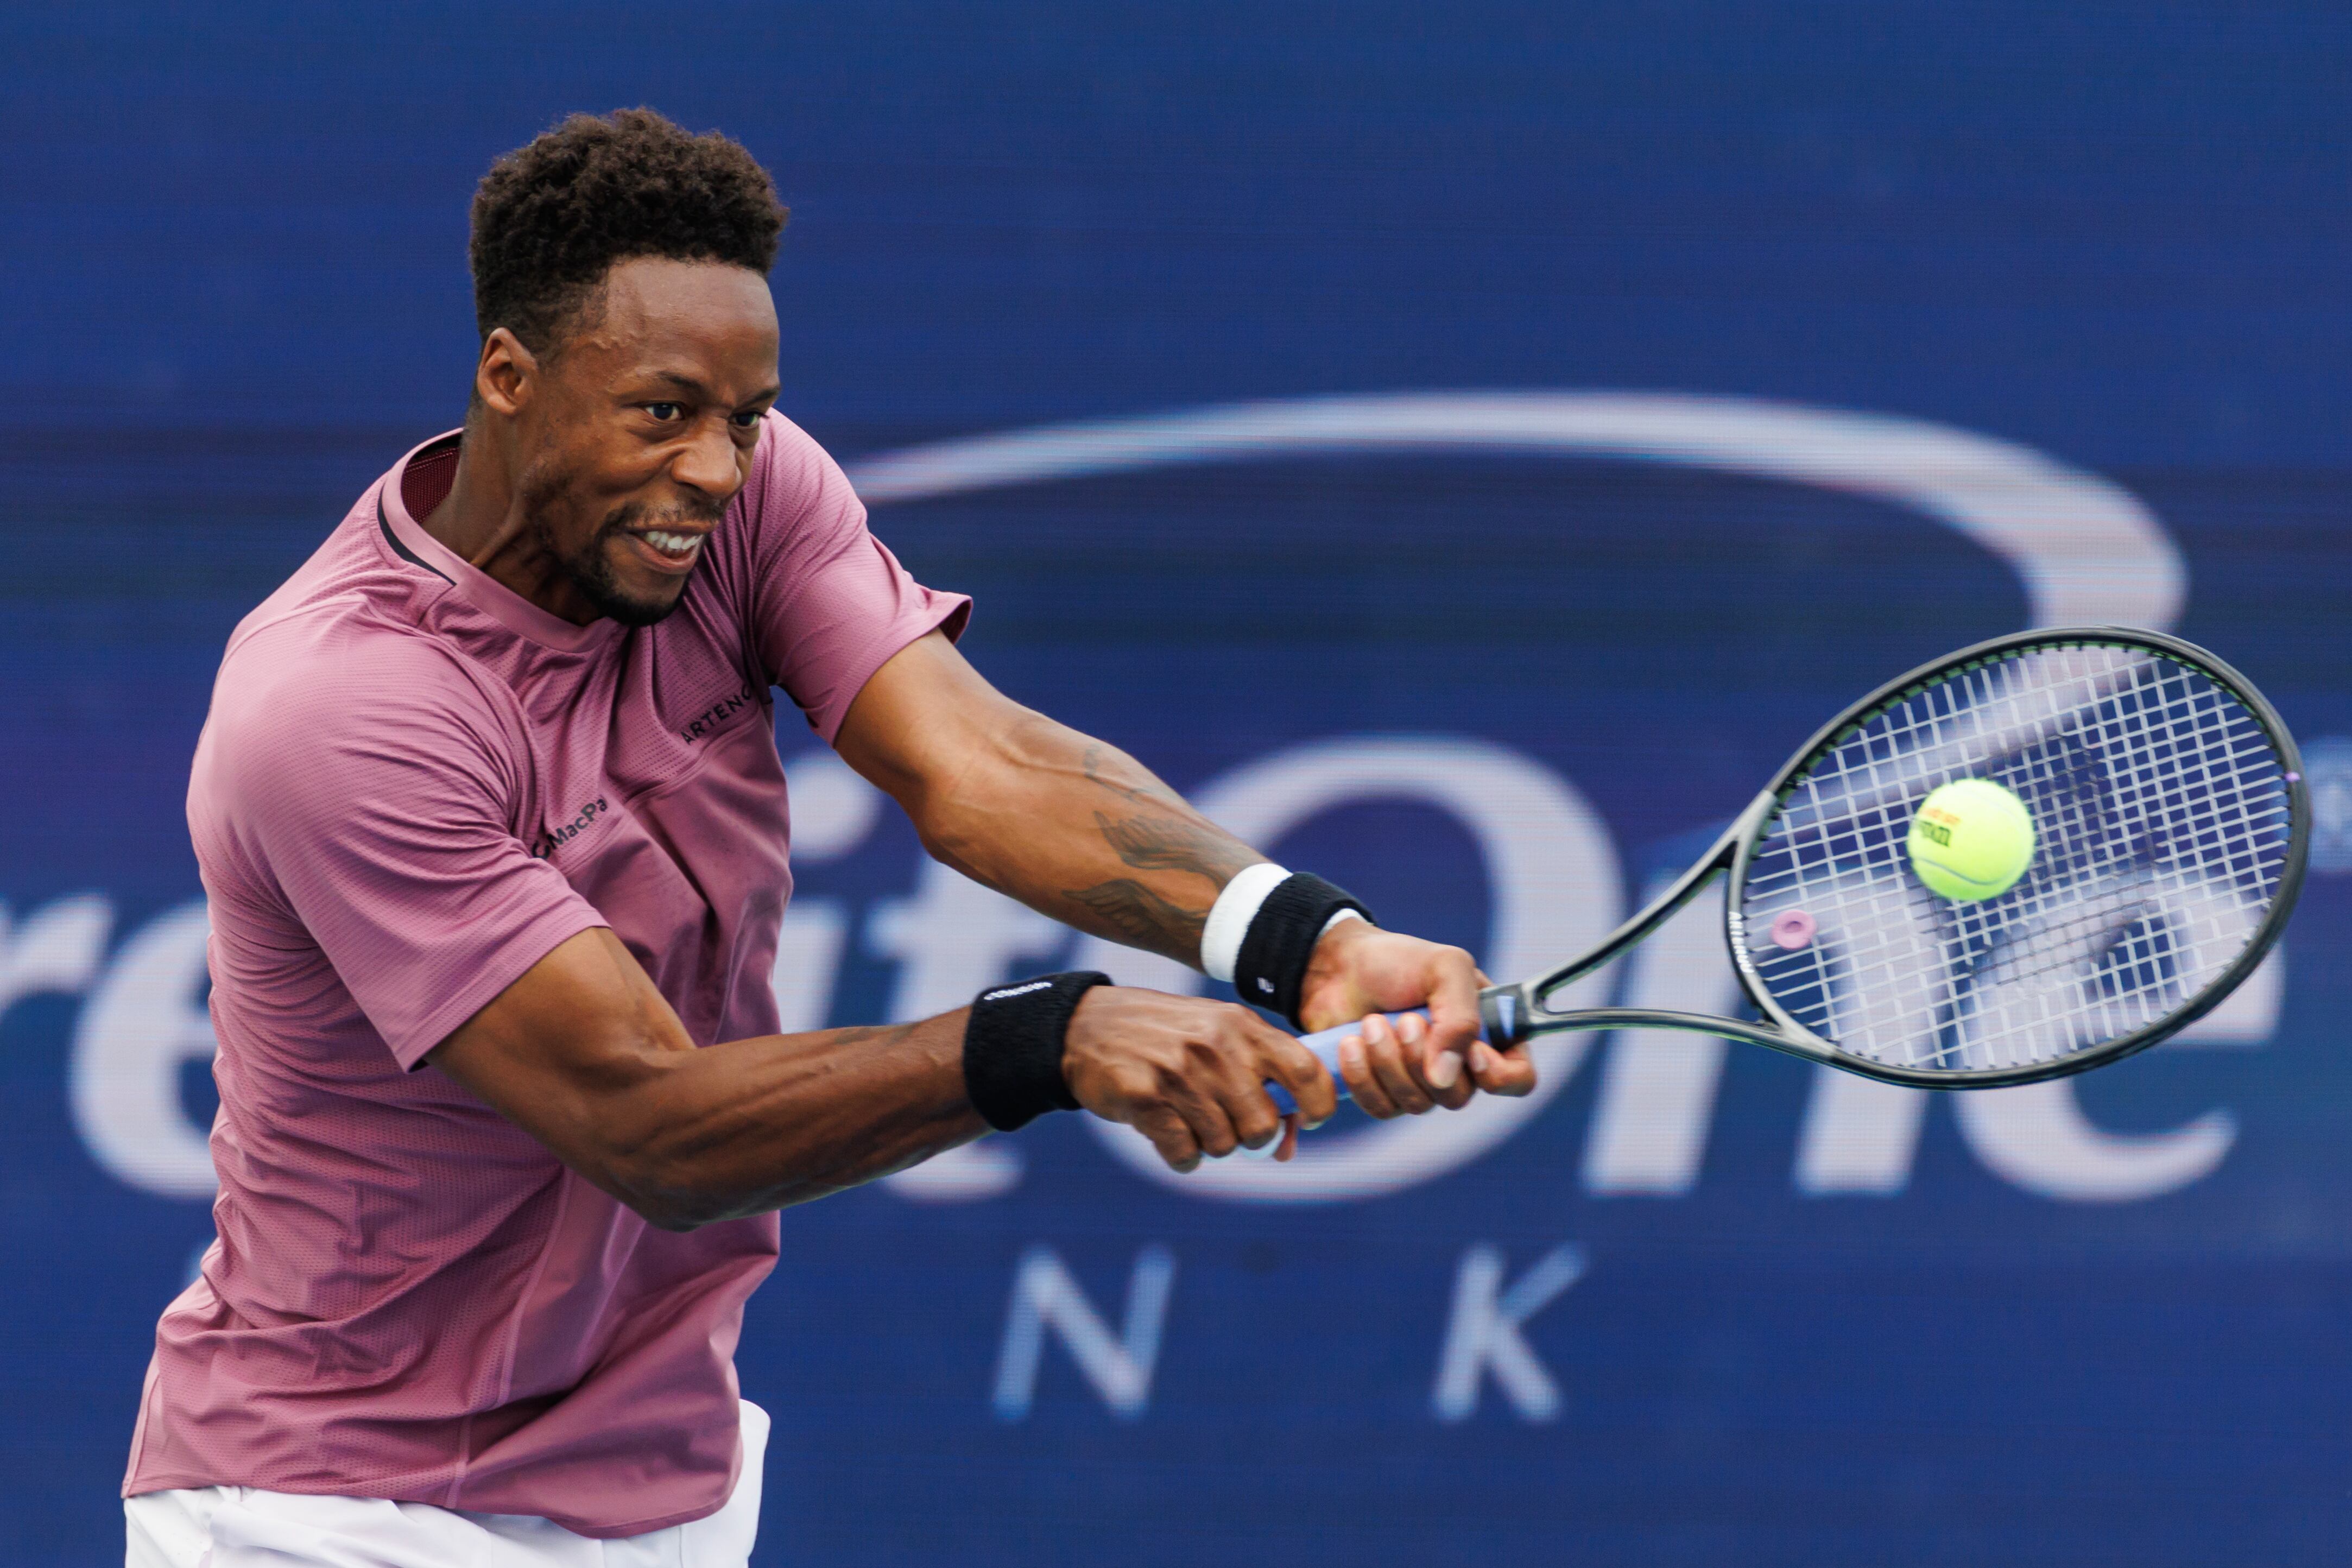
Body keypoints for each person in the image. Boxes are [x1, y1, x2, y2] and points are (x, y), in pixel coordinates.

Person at [121, 109, 1537, 1568]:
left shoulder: (741, 501)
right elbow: (645, 1122)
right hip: (336, 1511)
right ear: (509, 378)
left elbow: (978, 765)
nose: (718, 469)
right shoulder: (346, 707)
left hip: (662, 1483)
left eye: (743, 417)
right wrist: (1046, 1041)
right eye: (661, 412)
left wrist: (1311, 942)